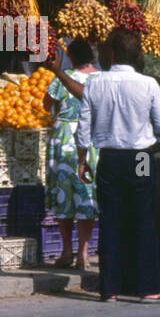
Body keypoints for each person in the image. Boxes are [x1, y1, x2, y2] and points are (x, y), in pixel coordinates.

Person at [77, 27, 160, 302]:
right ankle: (149, 287)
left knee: (110, 220)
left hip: (109, 158)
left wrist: (82, 160)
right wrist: (159, 134)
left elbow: (83, 127)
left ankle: (109, 287)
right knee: (144, 217)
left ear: (111, 54)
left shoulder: (94, 84)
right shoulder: (148, 84)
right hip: (141, 156)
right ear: (136, 55)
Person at [43, 40, 101, 269]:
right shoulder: (102, 79)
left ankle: (66, 250)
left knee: (63, 193)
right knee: (86, 194)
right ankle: (83, 253)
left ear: (73, 59)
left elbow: (46, 104)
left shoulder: (62, 77)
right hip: (94, 140)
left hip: (64, 138)